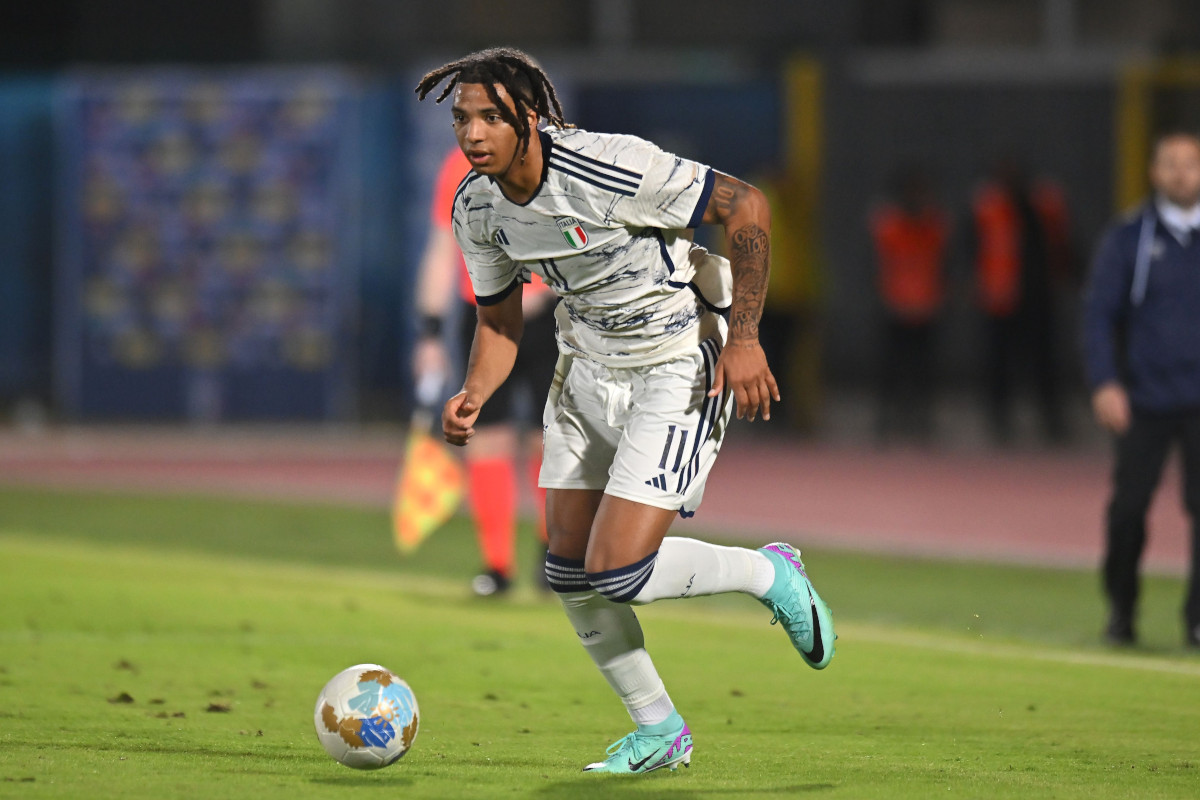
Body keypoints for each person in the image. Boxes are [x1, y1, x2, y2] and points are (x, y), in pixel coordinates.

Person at [415, 47, 836, 774]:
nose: (472, 133)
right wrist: (475, 394)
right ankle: (659, 730)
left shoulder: (607, 165)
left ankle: (770, 576)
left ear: (531, 118)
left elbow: (746, 205)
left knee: (619, 570)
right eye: (461, 118)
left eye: (490, 116)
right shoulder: (477, 207)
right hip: (584, 368)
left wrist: (745, 338)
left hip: (677, 362)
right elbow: (500, 320)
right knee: (567, 571)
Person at [413, 146, 558, 596]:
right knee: (487, 438)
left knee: (552, 440)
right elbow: (441, 248)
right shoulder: (457, 166)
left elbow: (580, 238)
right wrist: (431, 332)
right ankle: (497, 568)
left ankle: (554, 560)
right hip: (483, 319)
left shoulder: (551, 160)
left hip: (546, 316)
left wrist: (549, 287)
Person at [1083, 131, 1200, 648]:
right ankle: (1122, 610)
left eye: (1191, 164)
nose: (1180, 173)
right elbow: (1097, 315)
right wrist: (1105, 381)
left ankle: (1196, 620)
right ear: (1154, 172)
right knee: (1129, 510)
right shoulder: (1129, 238)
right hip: (1146, 399)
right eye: (1170, 164)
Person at [971, 157, 1072, 443]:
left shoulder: (1043, 205)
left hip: (1037, 296)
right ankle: (1000, 418)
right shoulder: (988, 207)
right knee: (999, 363)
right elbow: (975, 247)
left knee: (1044, 362)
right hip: (1001, 296)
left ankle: (1051, 418)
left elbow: (1061, 242)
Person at [869, 166, 949, 443]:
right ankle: (888, 420)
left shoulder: (934, 224)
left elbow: (943, 264)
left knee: (923, 370)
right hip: (895, 306)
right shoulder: (887, 225)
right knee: (891, 370)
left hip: (927, 306)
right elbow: (875, 264)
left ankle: (920, 420)